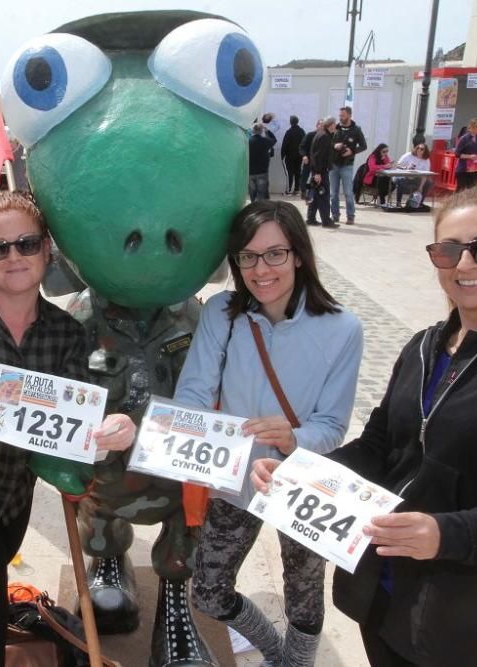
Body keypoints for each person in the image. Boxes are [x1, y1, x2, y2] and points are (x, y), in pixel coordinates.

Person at [253, 187, 477, 667]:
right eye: (448, 250)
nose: (465, 265)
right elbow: (381, 444)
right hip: (376, 587)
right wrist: (299, 470)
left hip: (461, 606)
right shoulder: (425, 345)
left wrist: (444, 534)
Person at [0, 190, 136, 665]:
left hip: (9, 507)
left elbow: (74, 428)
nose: (14, 256)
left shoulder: (65, 332)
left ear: (46, 250)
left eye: (26, 243)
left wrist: (110, 431)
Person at [178, 200, 362, 667]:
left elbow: (333, 425)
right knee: (209, 589)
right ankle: (275, 651)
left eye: (275, 253)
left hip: (301, 479)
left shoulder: (343, 328)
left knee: (303, 593)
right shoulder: (222, 311)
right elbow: (194, 393)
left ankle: (295, 663)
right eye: (248, 256)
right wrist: (197, 438)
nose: (261, 269)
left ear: (299, 254)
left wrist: (294, 438)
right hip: (234, 474)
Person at [329, 106, 367, 225]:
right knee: (333, 193)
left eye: (343, 115)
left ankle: (350, 216)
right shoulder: (335, 128)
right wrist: (335, 146)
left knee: (348, 192)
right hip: (334, 164)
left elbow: (363, 146)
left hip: (347, 165)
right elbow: (328, 142)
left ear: (349, 115)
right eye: (340, 115)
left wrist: (352, 151)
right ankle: (335, 215)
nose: (340, 117)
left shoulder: (356, 130)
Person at [307, 117, 337, 228]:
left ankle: (311, 218)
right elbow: (318, 156)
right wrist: (318, 173)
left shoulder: (321, 134)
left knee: (315, 196)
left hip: (317, 170)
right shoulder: (324, 136)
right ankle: (326, 221)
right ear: (330, 125)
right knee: (324, 196)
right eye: (334, 124)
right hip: (320, 171)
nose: (335, 126)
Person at [392, 143, 433, 208]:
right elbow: (397, 165)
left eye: (422, 149)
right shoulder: (409, 155)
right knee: (400, 180)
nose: (419, 150)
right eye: (418, 148)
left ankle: (419, 202)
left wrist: (421, 187)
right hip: (402, 175)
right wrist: (406, 168)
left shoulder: (426, 160)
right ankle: (398, 202)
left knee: (428, 183)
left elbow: (425, 174)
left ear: (425, 151)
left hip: (416, 178)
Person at [454, 118, 477, 191]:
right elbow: (457, 154)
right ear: (471, 127)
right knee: (461, 190)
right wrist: (470, 157)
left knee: (471, 190)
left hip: (475, 169)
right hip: (464, 169)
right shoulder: (464, 139)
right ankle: (456, 202)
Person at [248, 123, 275, 201]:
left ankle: (253, 207)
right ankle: (259, 209)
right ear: (261, 131)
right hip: (262, 172)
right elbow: (274, 140)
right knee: (261, 194)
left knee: (252, 194)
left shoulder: (248, 141)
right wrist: (267, 131)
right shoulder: (265, 141)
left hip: (250, 172)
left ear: (253, 131)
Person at [298, 119, 321, 201]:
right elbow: (302, 146)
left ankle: (312, 195)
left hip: (318, 162)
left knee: (315, 178)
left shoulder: (325, 136)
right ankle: (303, 192)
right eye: (320, 125)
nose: (321, 127)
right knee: (304, 177)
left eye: (323, 125)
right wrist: (304, 156)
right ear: (316, 125)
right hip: (308, 160)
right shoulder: (310, 135)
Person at [281, 116, 305, 196]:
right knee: (298, 172)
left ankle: (289, 190)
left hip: (290, 156)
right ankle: (297, 190)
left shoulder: (289, 132)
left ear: (290, 122)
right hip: (300, 156)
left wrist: (282, 155)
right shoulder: (302, 131)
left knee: (289, 173)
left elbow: (285, 144)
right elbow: (304, 143)